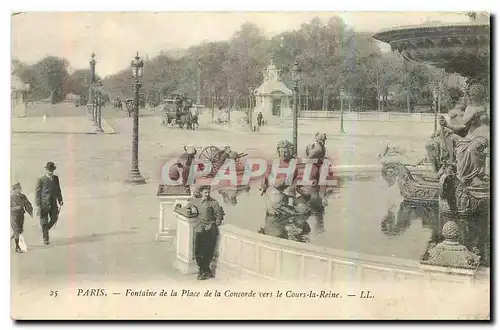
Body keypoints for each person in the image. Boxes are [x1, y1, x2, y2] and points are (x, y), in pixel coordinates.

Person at [190, 185, 225, 280]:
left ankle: (204, 271)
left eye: (208, 192)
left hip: (209, 230)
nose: (207, 194)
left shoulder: (213, 203)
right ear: (201, 193)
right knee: (197, 251)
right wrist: (192, 210)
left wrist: (214, 225)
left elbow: (219, 216)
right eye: (205, 192)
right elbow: (190, 207)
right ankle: (203, 271)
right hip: (199, 228)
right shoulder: (196, 202)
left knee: (207, 251)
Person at [35, 162, 64, 245]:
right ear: (46, 170)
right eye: (49, 170)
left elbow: (58, 189)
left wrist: (60, 199)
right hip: (44, 204)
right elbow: (38, 193)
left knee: (54, 218)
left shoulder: (55, 178)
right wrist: (38, 205)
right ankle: (45, 239)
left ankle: (45, 230)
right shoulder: (41, 179)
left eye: (52, 170)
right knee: (44, 221)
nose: (50, 172)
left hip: (53, 203)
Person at [10, 182, 33, 253]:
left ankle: (15, 234)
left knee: (20, 230)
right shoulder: (10, 197)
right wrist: (17, 207)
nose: (20, 189)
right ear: (14, 189)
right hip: (13, 216)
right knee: (17, 230)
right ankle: (17, 247)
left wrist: (30, 211)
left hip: (21, 215)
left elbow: (27, 204)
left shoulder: (23, 196)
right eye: (18, 188)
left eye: (20, 188)